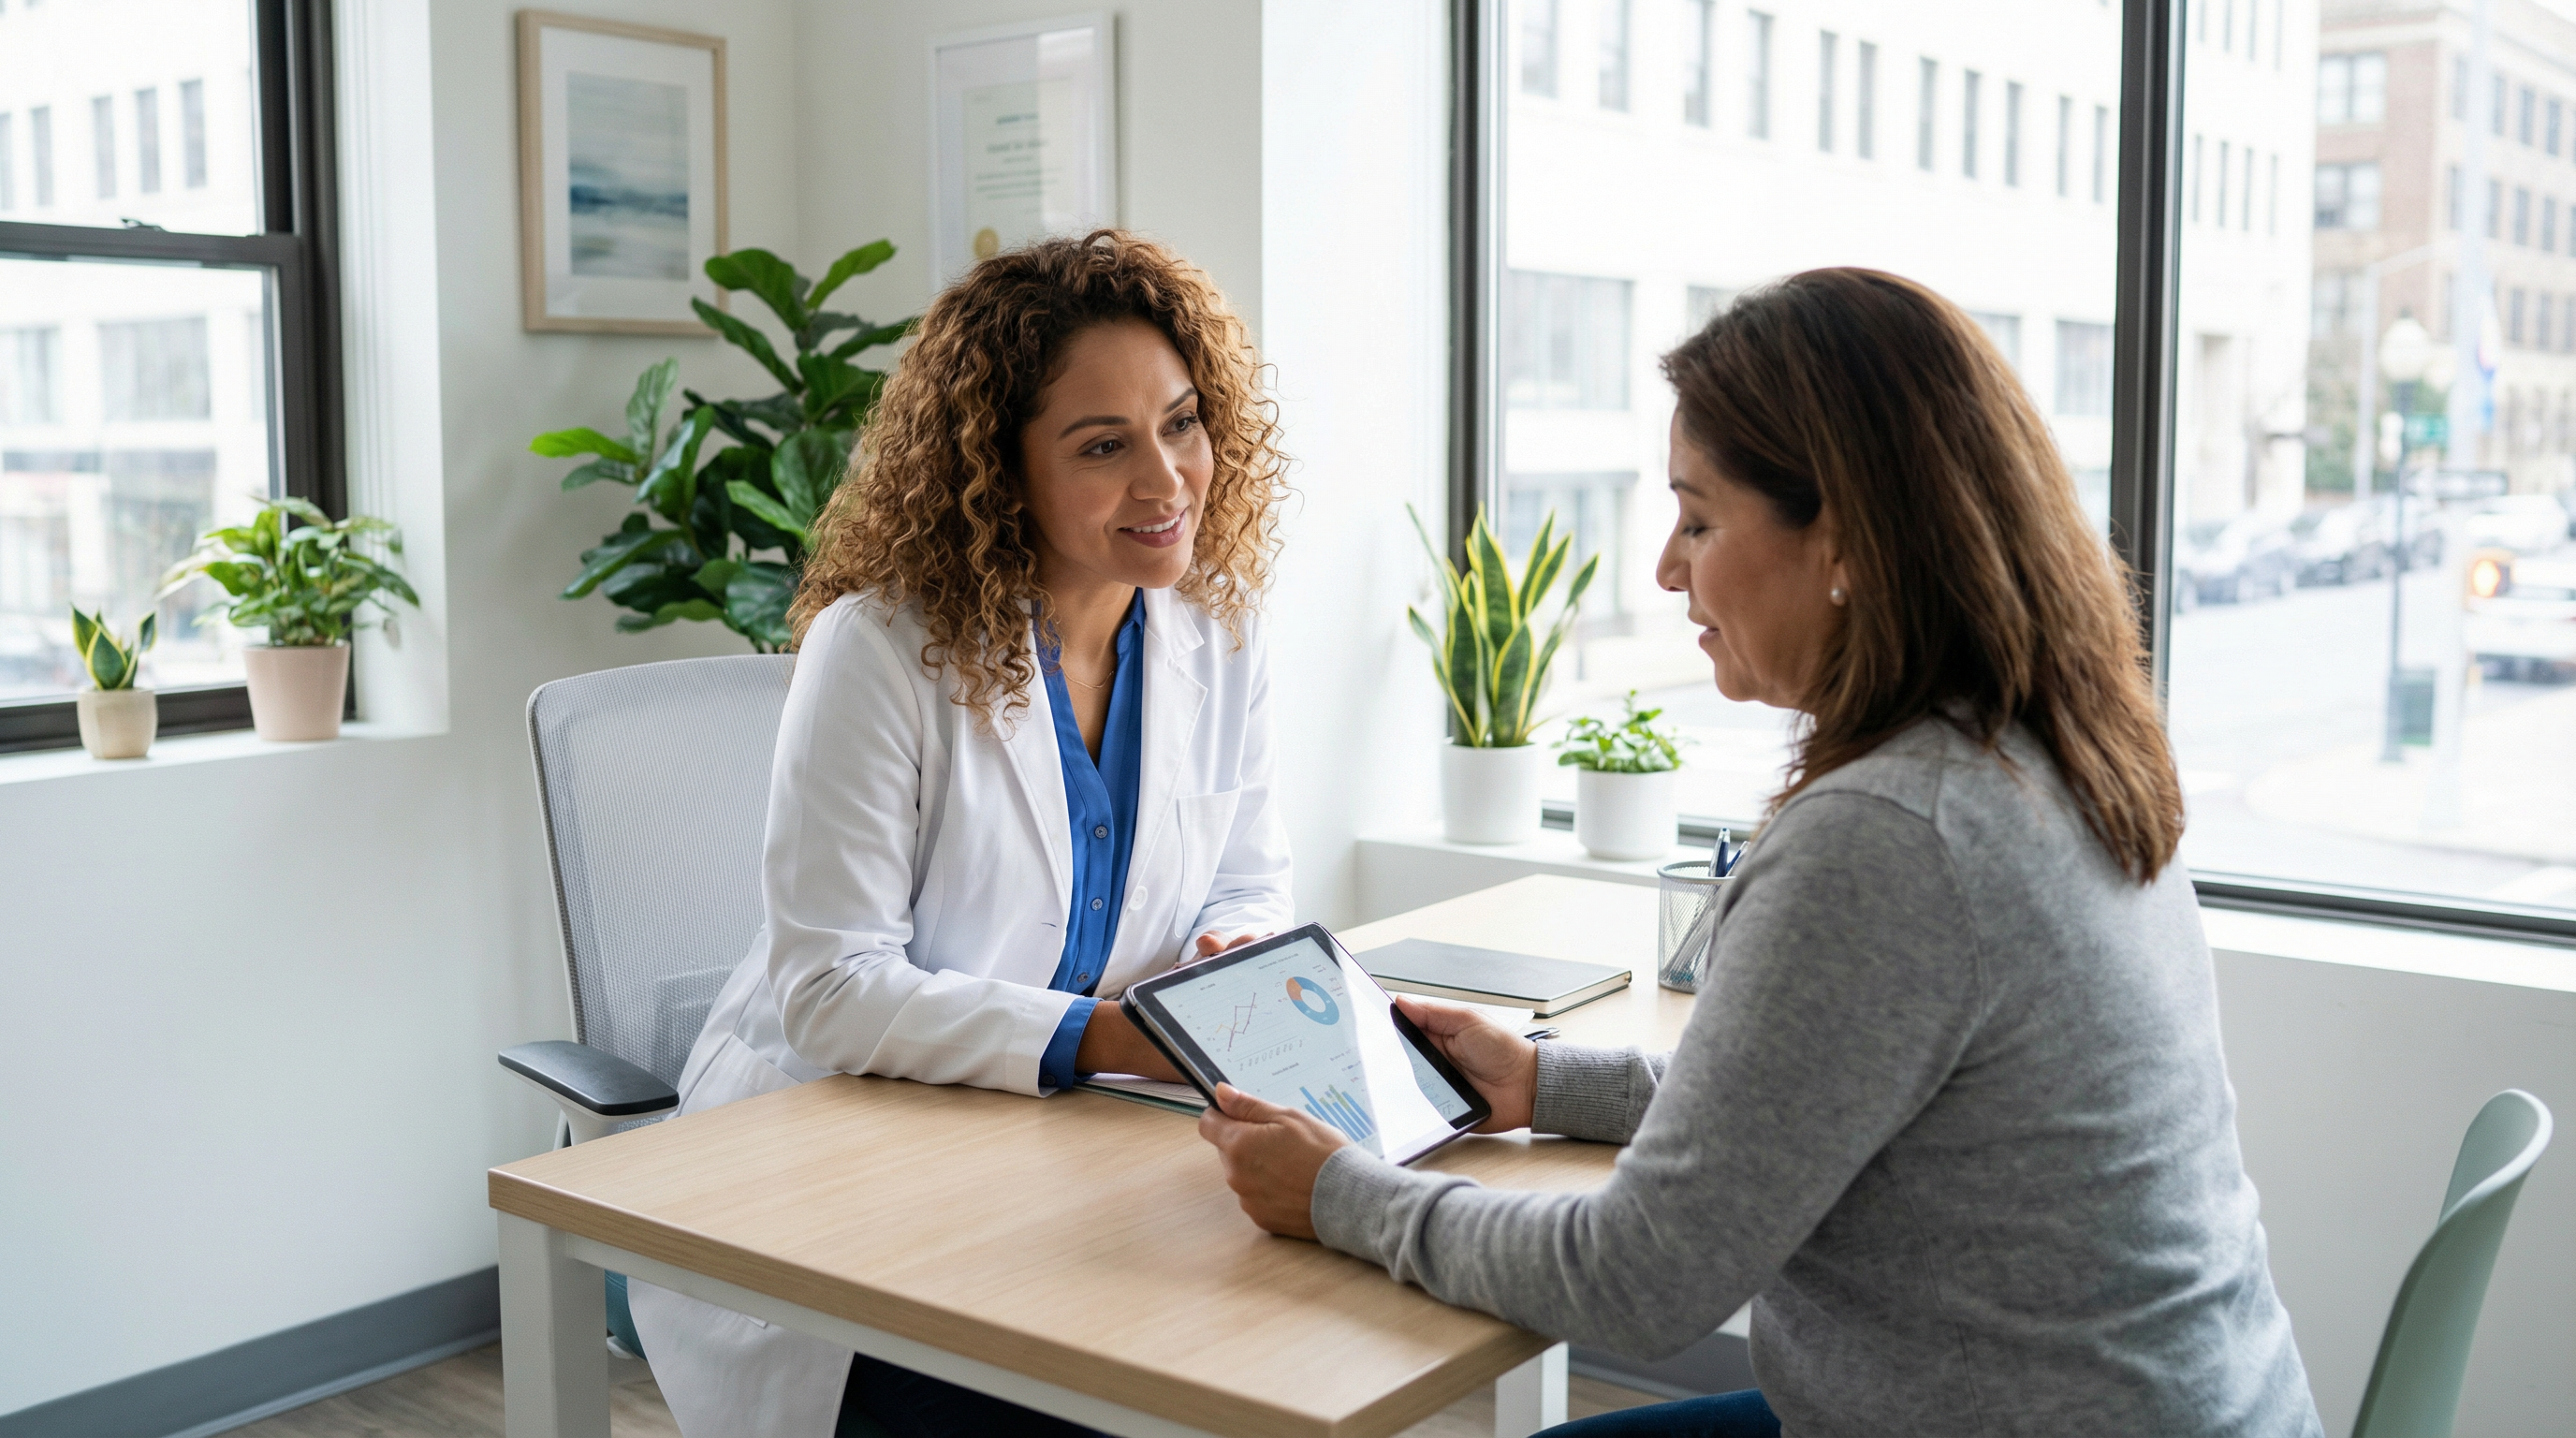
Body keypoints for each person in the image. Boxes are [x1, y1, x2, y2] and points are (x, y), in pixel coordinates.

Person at [1196, 268, 2324, 1438]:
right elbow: (1818, 1107)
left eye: (1697, 519)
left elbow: (1634, 1279)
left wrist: (1341, 1196)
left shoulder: (1888, 838)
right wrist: (1545, 1084)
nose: (1664, 569)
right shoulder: (2056, 751)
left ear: (1842, 539)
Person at [631, 230, 1295, 1438]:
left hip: (1069, 1154)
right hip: (842, 1183)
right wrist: (1111, 1038)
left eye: (1182, 423)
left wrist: (1227, 957)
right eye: (1102, 446)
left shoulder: (1214, 632)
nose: (1167, 481)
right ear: (1000, 468)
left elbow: (1247, 877)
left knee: (1262, 1352)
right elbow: (831, 990)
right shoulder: (882, 649)